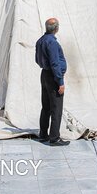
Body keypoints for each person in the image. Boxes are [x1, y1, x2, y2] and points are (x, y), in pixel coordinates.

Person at [35, 18, 69, 146]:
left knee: (46, 106)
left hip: (44, 75)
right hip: (53, 77)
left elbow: (37, 60)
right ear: (56, 28)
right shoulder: (52, 43)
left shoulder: (40, 41)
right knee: (56, 108)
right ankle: (54, 138)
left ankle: (43, 134)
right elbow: (55, 63)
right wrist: (60, 81)